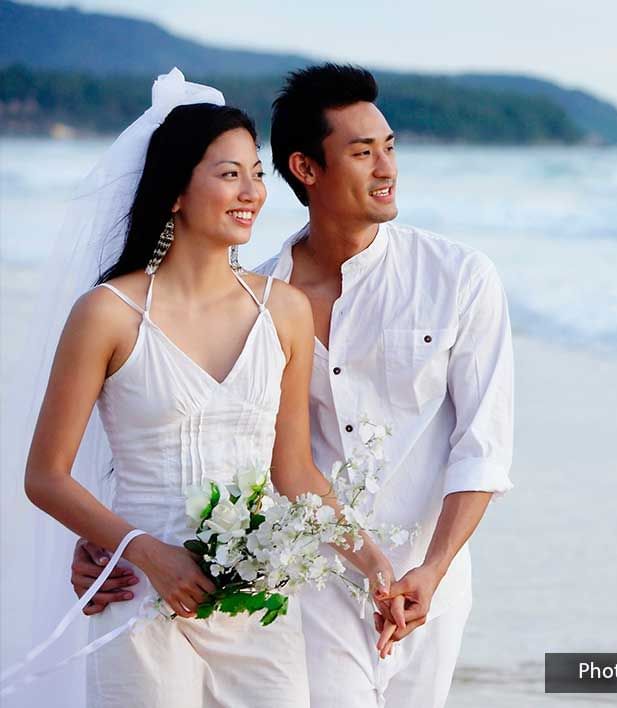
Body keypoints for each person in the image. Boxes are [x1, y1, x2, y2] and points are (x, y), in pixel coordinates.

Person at [73, 62, 515, 708]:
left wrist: (433, 568)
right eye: (363, 153)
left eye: (389, 148)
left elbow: (484, 448)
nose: (387, 168)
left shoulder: (460, 280)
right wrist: (117, 541)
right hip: (307, 590)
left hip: (429, 583)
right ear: (307, 169)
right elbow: (200, 432)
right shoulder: (253, 301)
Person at [18, 70, 397, 707]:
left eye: (256, 172)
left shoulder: (285, 310)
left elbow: (295, 472)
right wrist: (145, 555)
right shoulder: (107, 314)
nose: (251, 191)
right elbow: (46, 476)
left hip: (258, 603)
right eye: (228, 174)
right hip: (143, 596)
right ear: (173, 191)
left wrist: (376, 565)